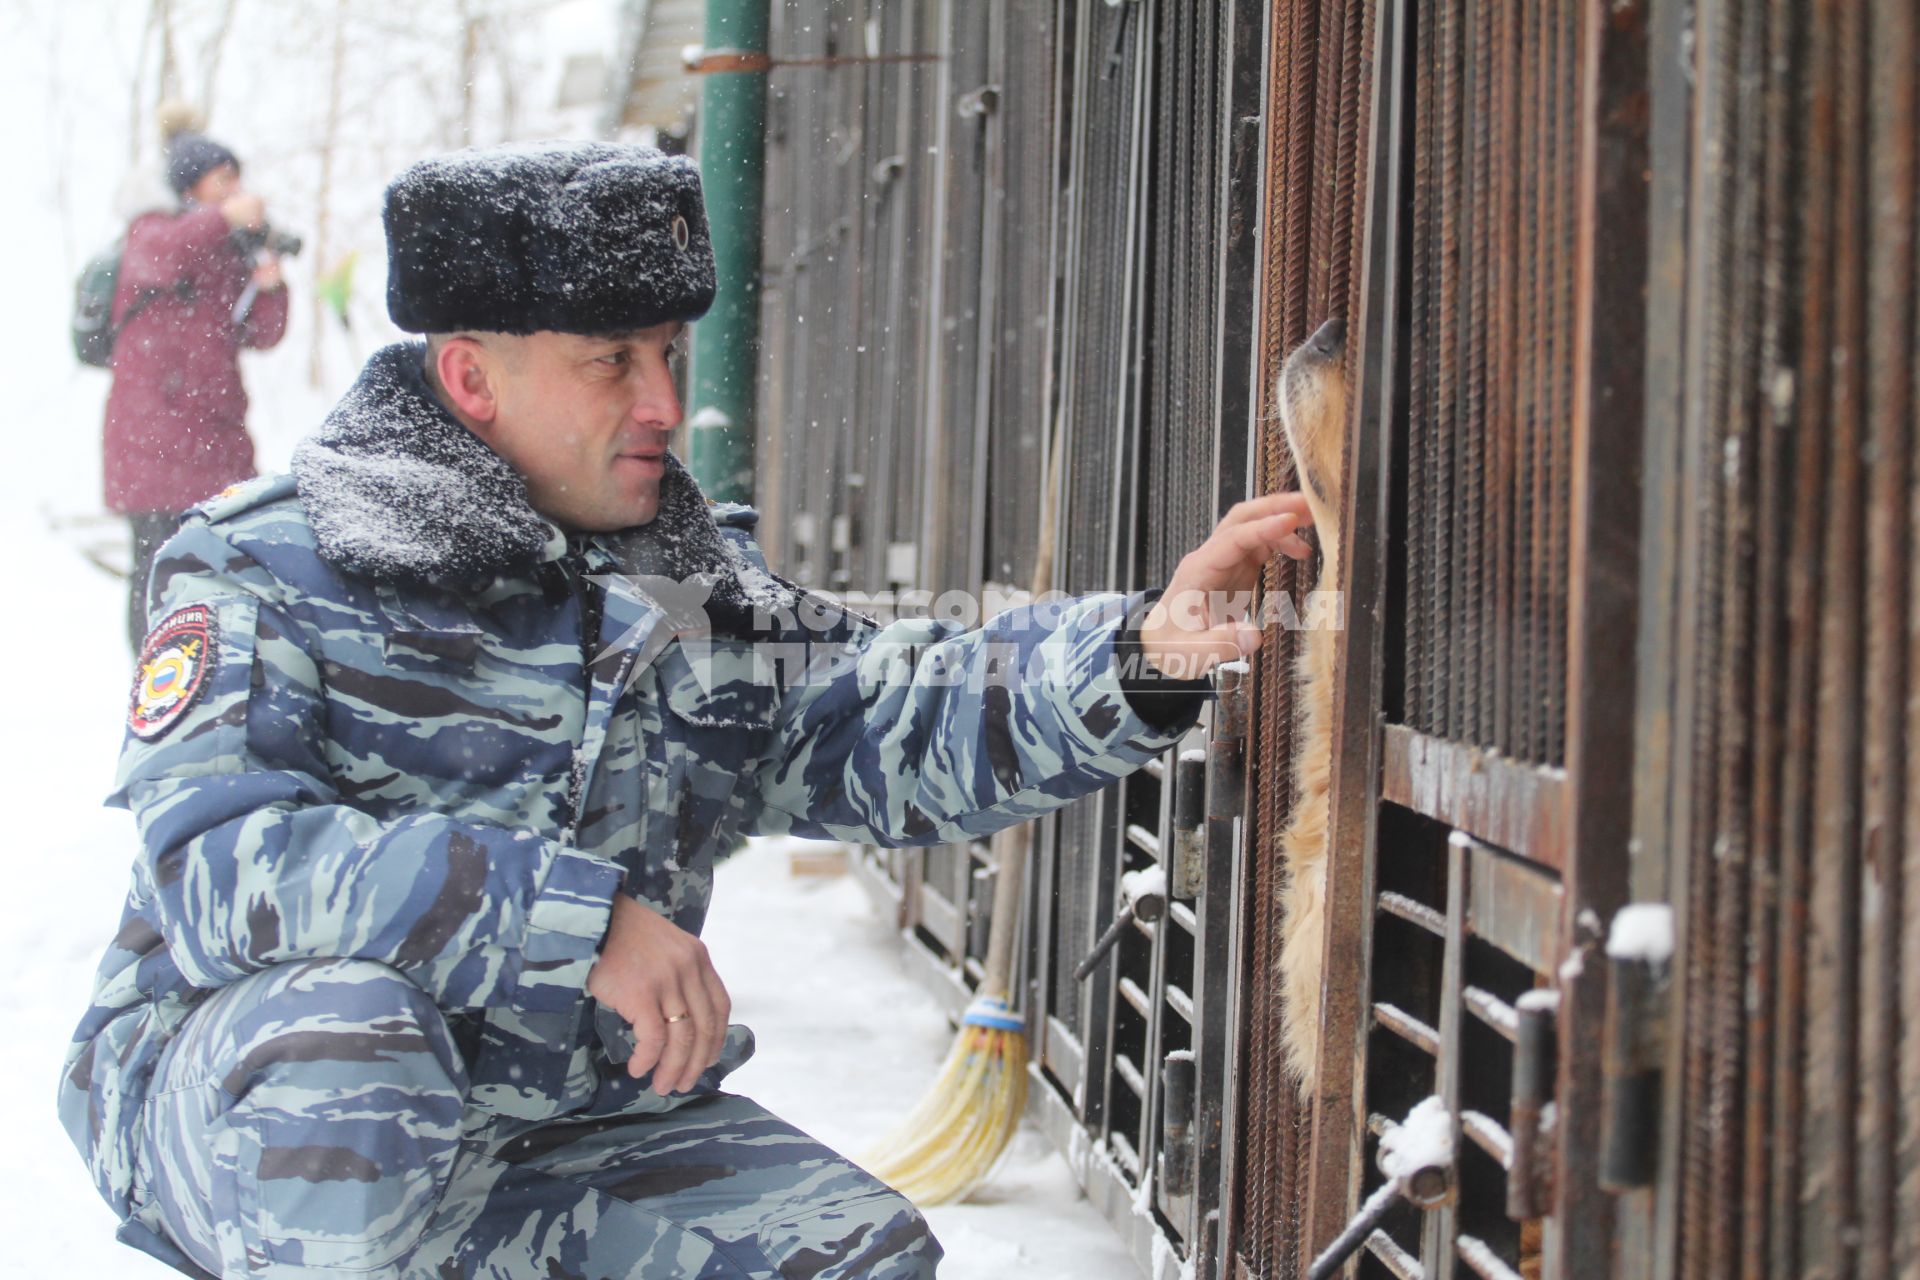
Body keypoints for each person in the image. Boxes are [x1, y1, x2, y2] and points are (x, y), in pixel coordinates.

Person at [59, 142, 1313, 1280]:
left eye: (666, 351)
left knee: (853, 1259)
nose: (662, 399)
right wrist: (576, 923)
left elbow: (878, 712)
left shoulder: (679, 579)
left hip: (552, 1122)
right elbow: (221, 867)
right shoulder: (271, 561)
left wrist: (1136, 652)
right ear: (469, 377)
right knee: (355, 1059)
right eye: (613, 361)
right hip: (252, 1107)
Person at [104, 110, 289, 649]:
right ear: (191, 184)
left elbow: (261, 332)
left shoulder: (224, 246)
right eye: (223, 179)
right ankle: (153, 684)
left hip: (215, 436)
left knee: (218, 569)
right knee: (156, 570)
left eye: (237, 179)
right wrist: (226, 220)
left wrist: (271, 286)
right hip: (153, 440)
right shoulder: (152, 232)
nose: (235, 191)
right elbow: (163, 254)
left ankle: (206, 674)